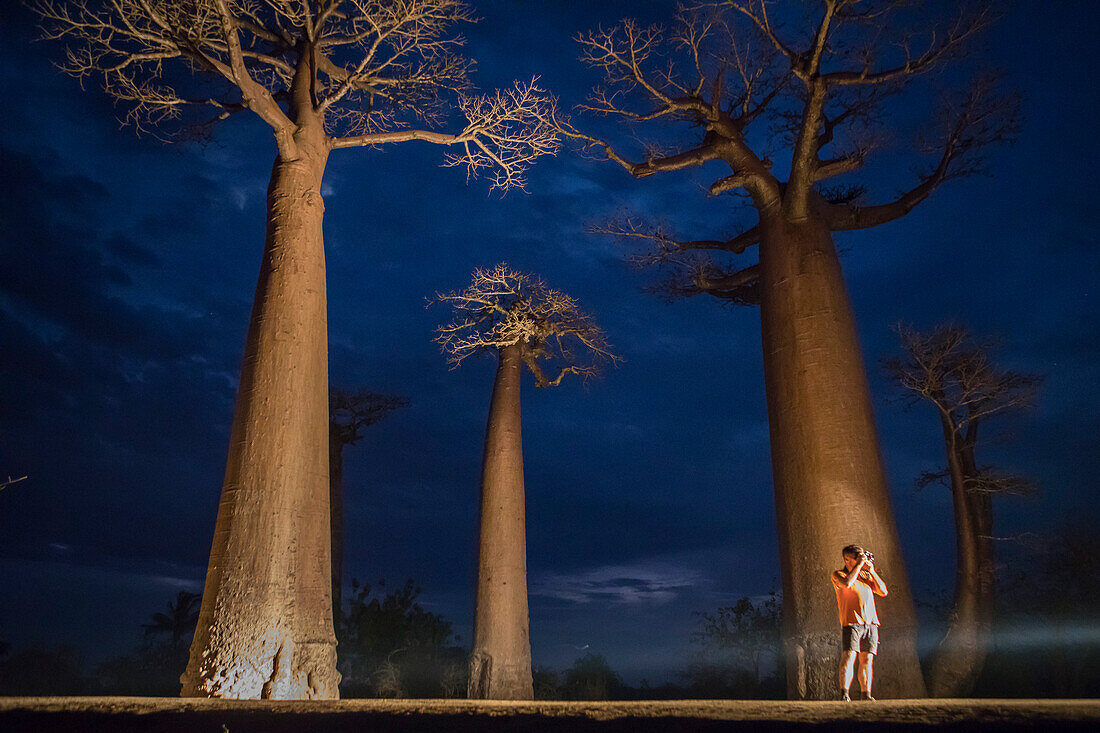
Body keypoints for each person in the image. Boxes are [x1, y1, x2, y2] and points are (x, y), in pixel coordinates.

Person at [831, 544, 888, 701]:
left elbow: (883, 591)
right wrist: (858, 566)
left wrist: (872, 571)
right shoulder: (838, 574)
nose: (862, 560)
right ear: (847, 559)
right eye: (858, 557)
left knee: (867, 659)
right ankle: (844, 693)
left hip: (871, 623)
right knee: (849, 656)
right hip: (852, 623)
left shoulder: (865, 576)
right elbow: (847, 583)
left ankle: (866, 694)